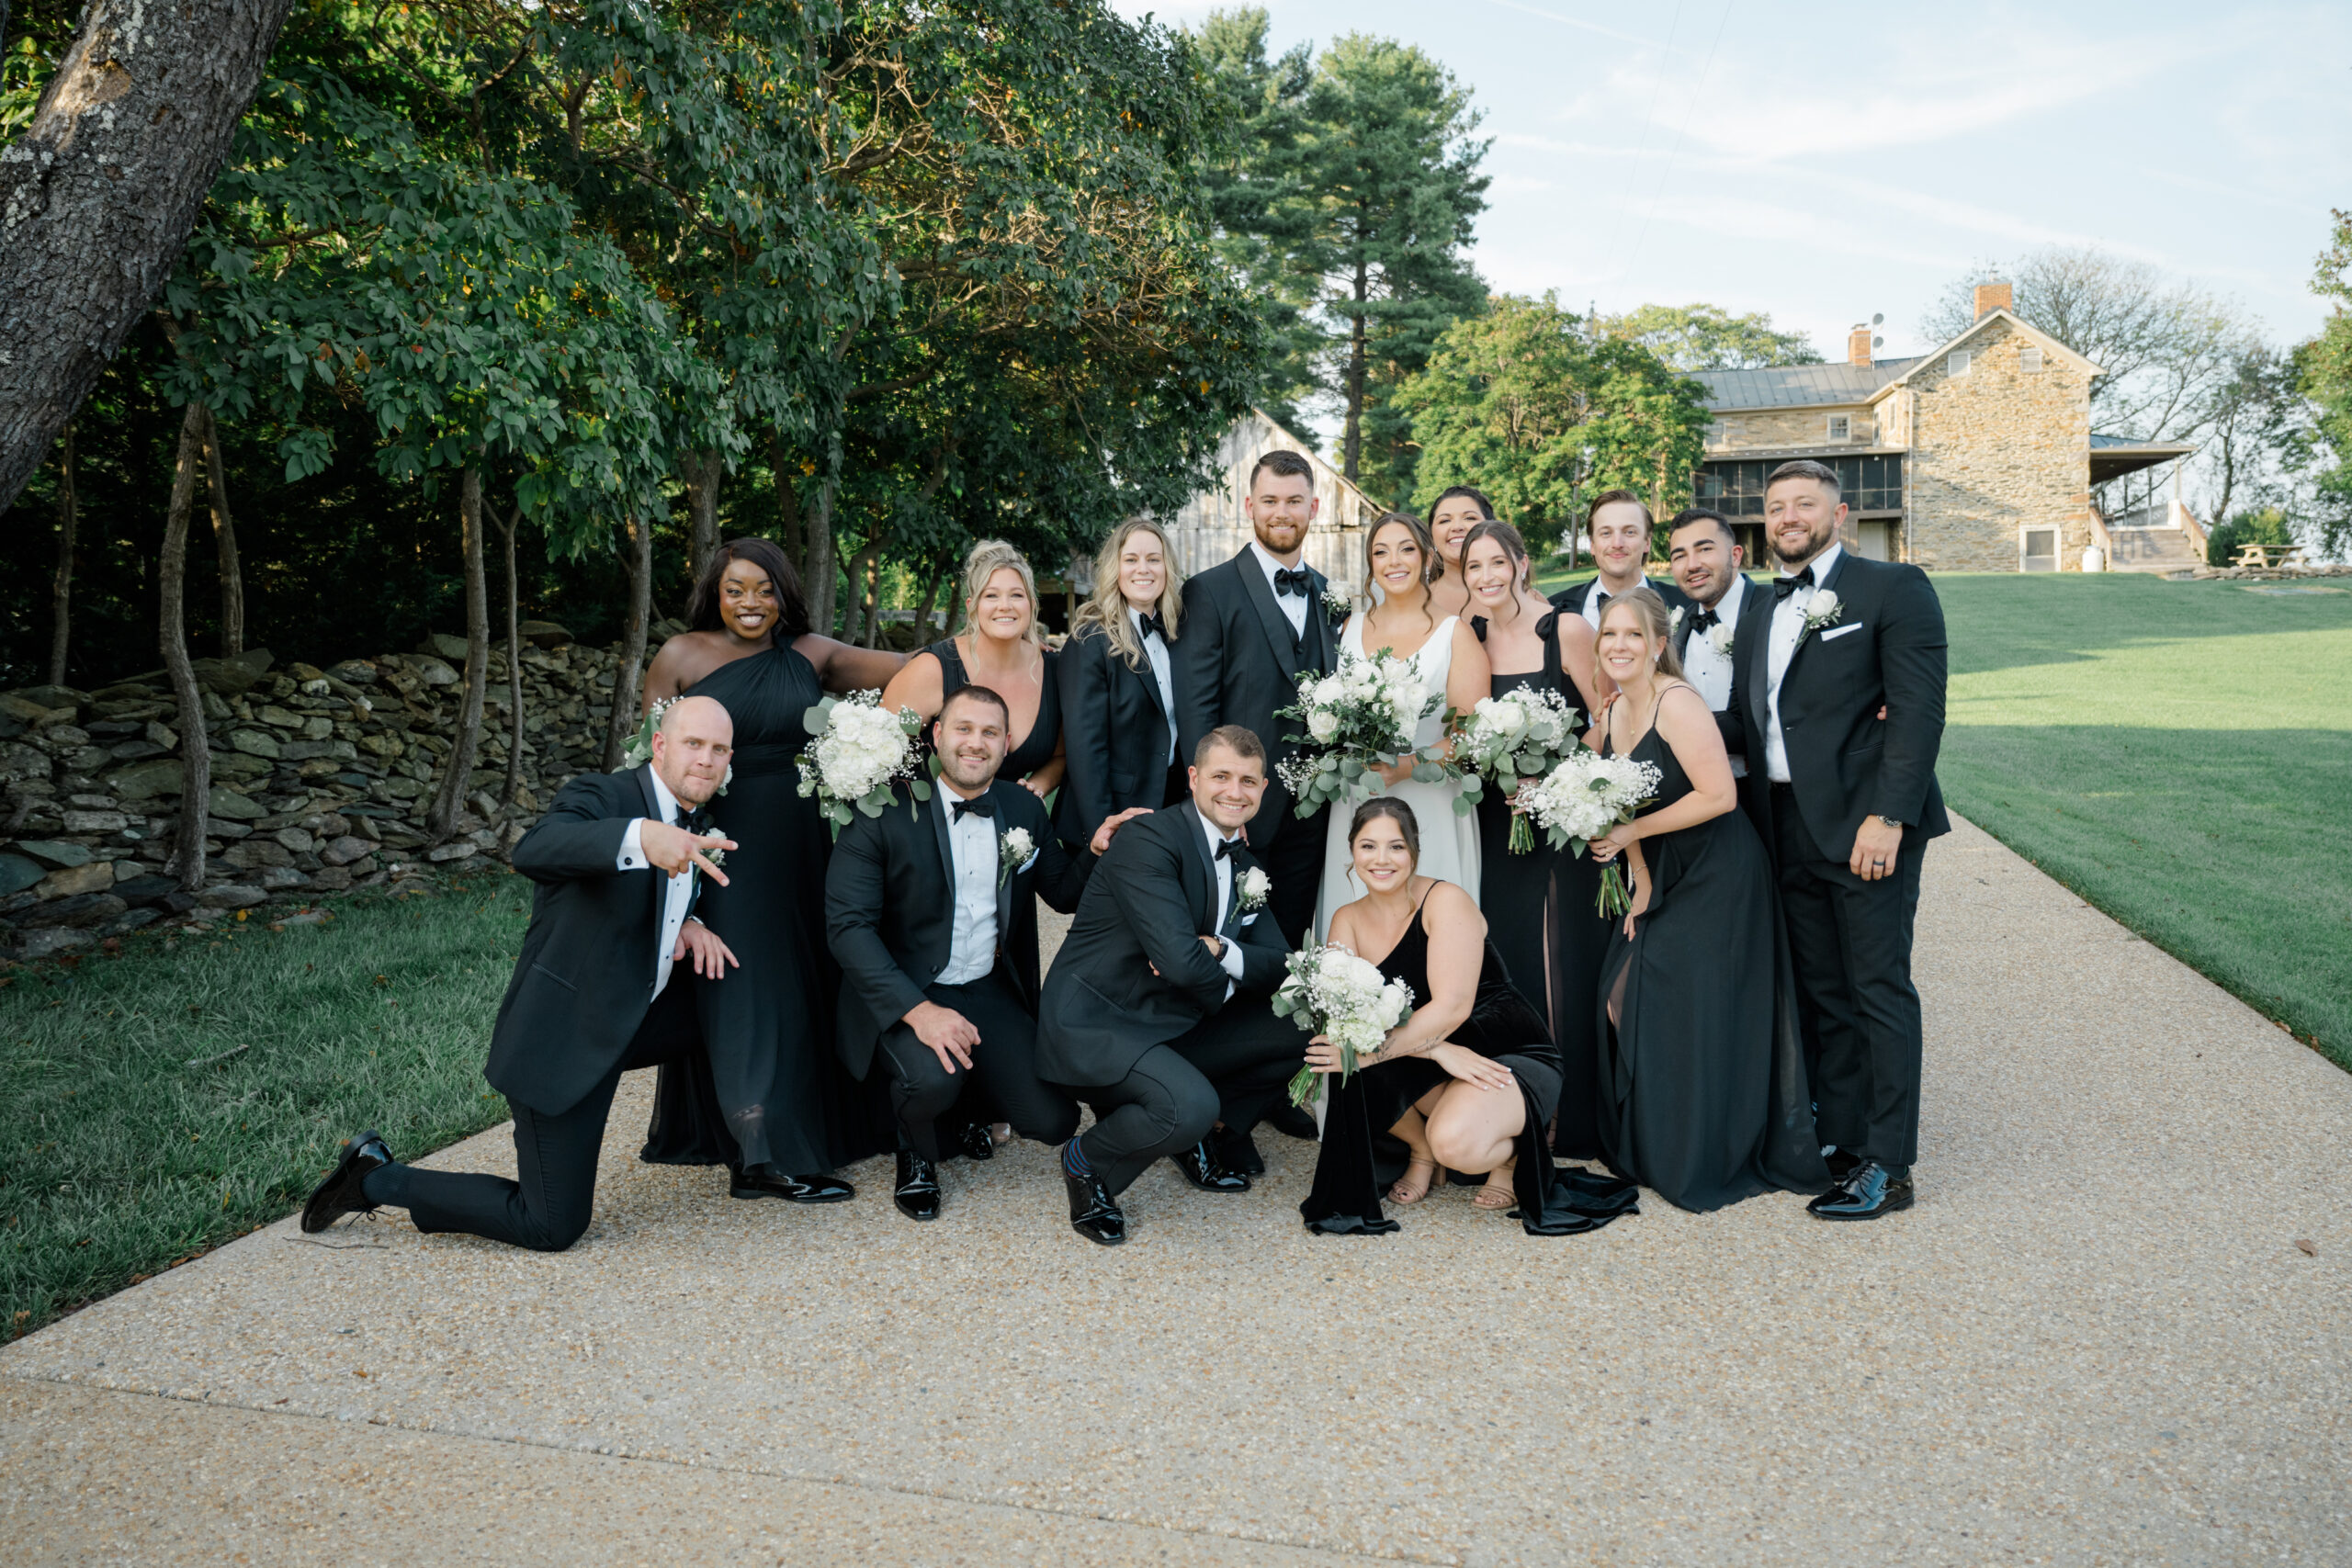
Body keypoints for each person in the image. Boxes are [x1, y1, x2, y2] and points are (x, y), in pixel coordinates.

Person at [300, 699, 745, 1251]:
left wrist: (690, 922)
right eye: (693, 744)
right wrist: (638, 839)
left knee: (739, 992)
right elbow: (535, 849)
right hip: (563, 1038)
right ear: (659, 745)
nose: (706, 759)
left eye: (719, 749)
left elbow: (656, 899)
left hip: (634, 1020)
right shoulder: (601, 796)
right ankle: (374, 1177)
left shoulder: (698, 818)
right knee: (552, 1224)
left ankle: (739, 1146)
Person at [636, 537, 907, 1201]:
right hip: (725, 846)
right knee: (748, 985)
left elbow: (919, 669)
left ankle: (808, 1130)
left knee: (808, 979)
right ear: (715, 593)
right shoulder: (680, 656)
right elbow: (652, 761)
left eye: (765, 589)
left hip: (809, 841)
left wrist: (858, 745)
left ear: (785, 592)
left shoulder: (813, 653)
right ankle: (761, 1152)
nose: (751, 603)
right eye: (736, 589)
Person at [826, 685, 1146, 1222]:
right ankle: (916, 1150)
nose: (975, 743)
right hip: (910, 988)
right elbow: (847, 929)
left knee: (1053, 1121)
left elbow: (1063, 894)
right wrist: (920, 1013)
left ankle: (972, 1109)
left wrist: (1096, 852)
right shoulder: (884, 809)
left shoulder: (1022, 806)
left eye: (989, 733)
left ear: (1008, 743)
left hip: (987, 986)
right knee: (930, 1079)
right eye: (964, 729)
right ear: (937, 736)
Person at [1726, 459, 1950, 1221]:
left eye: (1804, 504)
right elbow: (1746, 720)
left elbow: (1918, 714)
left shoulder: (1893, 589)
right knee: (1825, 995)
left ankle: (1891, 1166)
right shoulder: (1760, 606)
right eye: (1777, 506)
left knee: (1878, 989)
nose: (1789, 516)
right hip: (1783, 825)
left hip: (1865, 827)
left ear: (1841, 513)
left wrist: (1889, 815)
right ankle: (1847, 1141)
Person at [1586, 589, 1829, 1212]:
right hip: (1665, 866)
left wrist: (1633, 835)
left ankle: (1703, 1150)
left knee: (1682, 1000)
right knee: (1621, 992)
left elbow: (1719, 794)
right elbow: (1620, 804)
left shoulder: (1677, 703)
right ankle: (1663, 1137)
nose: (1619, 645)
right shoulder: (1614, 712)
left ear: (1659, 644)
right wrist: (1638, 876)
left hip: (1718, 869)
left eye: (1633, 635)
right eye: (1610, 633)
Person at [1298, 798, 1639, 1237]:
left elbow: (1452, 1007)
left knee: (1455, 1142)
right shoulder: (1346, 918)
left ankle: (1512, 1157)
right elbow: (1341, 1008)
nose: (1381, 860)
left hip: (1503, 1051)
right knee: (1342, 1051)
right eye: (1368, 846)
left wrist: (1396, 1051)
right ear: (1352, 852)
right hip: (1436, 1052)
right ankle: (1422, 1151)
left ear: (1414, 852)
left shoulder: (1446, 901)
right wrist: (1438, 1051)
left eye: (1395, 847)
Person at [1035, 727, 1305, 1246]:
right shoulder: (1149, 839)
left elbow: (1283, 965)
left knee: (1303, 1022)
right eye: (1221, 776)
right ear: (1194, 778)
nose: (1235, 791)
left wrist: (1223, 951)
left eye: (1248, 781)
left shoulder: (1245, 862)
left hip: (1174, 1019)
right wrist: (1220, 982)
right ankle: (1087, 1161)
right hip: (1100, 1023)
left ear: (1264, 789)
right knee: (1187, 1107)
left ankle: (1201, 1134)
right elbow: (1180, 963)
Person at [1459, 517, 1612, 1163]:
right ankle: (1516, 1108)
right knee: (1510, 957)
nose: (1488, 577)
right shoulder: (1469, 637)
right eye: (1475, 568)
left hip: (1559, 824)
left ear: (1522, 563)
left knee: (1560, 961)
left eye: (1499, 562)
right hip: (1497, 824)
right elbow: (1464, 729)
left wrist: (1557, 785)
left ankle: (1569, 1115)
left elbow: (1608, 713)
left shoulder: (1566, 628)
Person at [1173, 449, 1344, 948]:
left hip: (1314, 813)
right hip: (1239, 810)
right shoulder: (1208, 591)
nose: (1282, 512)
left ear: (1314, 509)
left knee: (1288, 945)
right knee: (1223, 942)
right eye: (1270, 500)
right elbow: (1196, 710)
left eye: (1294, 501)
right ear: (1249, 505)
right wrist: (1218, 803)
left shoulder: (1332, 595)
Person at [1314, 510, 1488, 932]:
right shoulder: (1349, 629)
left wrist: (1407, 766)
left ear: (1428, 557)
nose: (1394, 561)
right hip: (1359, 802)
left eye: (1406, 549)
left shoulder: (1454, 634)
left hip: (1432, 804)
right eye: (1381, 552)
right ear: (1371, 563)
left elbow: (1471, 739)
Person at [882, 539, 1066, 796]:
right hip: (929, 822)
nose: (1005, 606)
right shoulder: (933, 669)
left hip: (1011, 826)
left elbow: (1061, 754)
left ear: (1032, 605)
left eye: (1017, 595)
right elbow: (877, 751)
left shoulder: (1056, 671)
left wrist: (1035, 788)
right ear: (972, 607)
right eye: (991, 595)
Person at [1057, 517, 1187, 852]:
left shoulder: (1177, 635)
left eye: (1153, 559)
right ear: (1115, 568)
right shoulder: (1090, 640)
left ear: (1167, 567)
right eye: (1131, 559)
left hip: (1169, 807)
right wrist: (1104, 827)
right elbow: (1086, 749)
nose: (1143, 569)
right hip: (1113, 813)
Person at [1666, 506, 1761, 773]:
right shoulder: (1676, 626)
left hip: (1766, 788)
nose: (1692, 564)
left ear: (1735, 555)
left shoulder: (1772, 609)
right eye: (1680, 555)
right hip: (1695, 785)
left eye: (1705, 549)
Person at [1548, 491, 1690, 630]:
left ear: (1647, 542)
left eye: (1629, 532)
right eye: (1606, 533)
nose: (1617, 543)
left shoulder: (1687, 604)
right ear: (1592, 544)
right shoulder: (1554, 609)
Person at [1422, 484, 1495, 623]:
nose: (1457, 527)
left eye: (1469, 518)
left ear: (1491, 527)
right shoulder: (1419, 603)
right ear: (1432, 535)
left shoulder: (1524, 597)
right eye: (1444, 520)